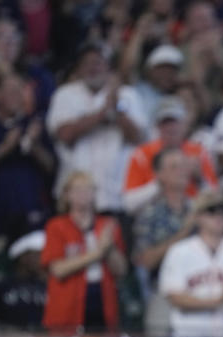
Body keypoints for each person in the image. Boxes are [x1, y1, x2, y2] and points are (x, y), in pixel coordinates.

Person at [45, 41, 148, 215]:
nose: (93, 67)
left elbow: (138, 137)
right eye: (87, 63)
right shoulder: (65, 94)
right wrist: (101, 115)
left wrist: (118, 111)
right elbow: (64, 134)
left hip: (117, 195)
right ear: (78, 69)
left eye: (98, 62)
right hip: (74, 196)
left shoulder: (127, 94)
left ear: (108, 68)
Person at [158, 190, 223, 337]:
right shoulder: (179, 251)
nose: (219, 216)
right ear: (197, 217)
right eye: (211, 211)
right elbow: (175, 297)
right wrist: (217, 301)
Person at [40, 171, 128, 333]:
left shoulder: (107, 225)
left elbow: (121, 270)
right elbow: (58, 270)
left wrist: (109, 248)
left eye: (88, 189)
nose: (83, 194)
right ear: (67, 195)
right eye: (78, 189)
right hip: (68, 307)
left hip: (102, 301)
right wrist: (97, 254)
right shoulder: (57, 226)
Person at [0, 73, 54, 245]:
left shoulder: (34, 124)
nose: (18, 95)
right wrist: (5, 148)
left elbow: (51, 166)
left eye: (21, 91)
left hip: (31, 211)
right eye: (11, 91)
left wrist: (33, 145)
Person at [132, 147, 197, 336]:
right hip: (164, 292)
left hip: (202, 291)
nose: (182, 171)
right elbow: (145, 260)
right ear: (159, 175)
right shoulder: (149, 213)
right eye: (174, 167)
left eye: (185, 166)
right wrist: (183, 234)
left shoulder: (201, 209)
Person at [122, 97, 218, 215]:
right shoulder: (142, 154)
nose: (170, 128)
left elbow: (216, 198)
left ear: (184, 124)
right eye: (165, 123)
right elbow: (129, 204)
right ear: (157, 127)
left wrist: (200, 179)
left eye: (174, 122)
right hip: (152, 216)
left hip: (193, 215)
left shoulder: (198, 152)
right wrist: (160, 182)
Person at [0, 230, 49, 329]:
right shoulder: (2, 286)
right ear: (23, 257)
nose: (43, 259)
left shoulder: (48, 285)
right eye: (38, 255)